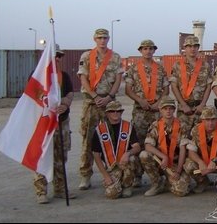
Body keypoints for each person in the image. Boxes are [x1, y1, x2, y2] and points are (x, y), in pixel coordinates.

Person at [77, 28, 123, 190]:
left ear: (108, 39)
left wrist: (109, 97)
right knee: (88, 140)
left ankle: (113, 172)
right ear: (94, 39)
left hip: (110, 104)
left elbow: (118, 79)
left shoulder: (115, 57)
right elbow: (83, 78)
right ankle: (85, 175)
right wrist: (95, 96)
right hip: (92, 102)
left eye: (105, 37)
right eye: (99, 38)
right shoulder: (86, 56)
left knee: (112, 139)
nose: (102, 40)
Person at [33, 44, 76, 204]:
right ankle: (41, 191)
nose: (57, 58)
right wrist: (48, 102)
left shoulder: (64, 76)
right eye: (54, 55)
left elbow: (70, 93)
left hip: (62, 122)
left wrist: (64, 103)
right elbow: (33, 94)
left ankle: (60, 189)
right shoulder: (38, 75)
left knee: (61, 157)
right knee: (43, 156)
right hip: (44, 123)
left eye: (59, 56)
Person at [125, 39, 170, 187]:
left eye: (151, 48)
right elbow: (128, 89)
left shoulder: (160, 68)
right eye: (145, 49)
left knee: (159, 143)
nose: (148, 51)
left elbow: (165, 89)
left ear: (154, 51)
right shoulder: (134, 69)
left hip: (156, 111)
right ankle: (138, 175)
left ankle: (159, 175)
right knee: (138, 143)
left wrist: (159, 103)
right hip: (140, 112)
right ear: (140, 51)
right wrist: (140, 100)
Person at [140, 96, 191, 197]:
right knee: (144, 155)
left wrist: (179, 170)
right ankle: (157, 183)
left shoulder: (182, 126)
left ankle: (169, 182)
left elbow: (182, 150)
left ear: (174, 109)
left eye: (170, 108)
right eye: (165, 109)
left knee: (181, 191)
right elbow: (148, 146)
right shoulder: (155, 125)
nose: (168, 111)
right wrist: (164, 157)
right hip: (160, 162)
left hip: (175, 163)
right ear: (160, 110)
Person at [91, 101, 141, 199]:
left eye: (118, 111)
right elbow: (96, 155)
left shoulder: (128, 126)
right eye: (112, 111)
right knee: (112, 194)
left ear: (121, 112)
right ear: (107, 113)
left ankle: (127, 186)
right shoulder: (100, 130)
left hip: (125, 164)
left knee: (132, 159)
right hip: (111, 168)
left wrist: (128, 153)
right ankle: (116, 184)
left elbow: (137, 147)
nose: (115, 113)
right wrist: (106, 176)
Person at [170, 36, 212, 141]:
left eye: (195, 46)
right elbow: (174, 86)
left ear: (198, 48)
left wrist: (202, 105)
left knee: (200, 138)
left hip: (200, 109)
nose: (192, 49)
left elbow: (208, 86)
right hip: (184, 109)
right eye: (189, 46)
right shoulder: (177, 65)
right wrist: (183, 104)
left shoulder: (205, 66)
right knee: (182, 139)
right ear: (185, 48)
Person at [184, 106, 217, 193]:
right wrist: (200, 162)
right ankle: (202, 181)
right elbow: (191, 152)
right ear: (202, 120)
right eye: (207, 120)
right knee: (188, 165)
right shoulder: (195, 130)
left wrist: (214, 160)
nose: (210, 123)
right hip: (202, 160)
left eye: (213, 119)